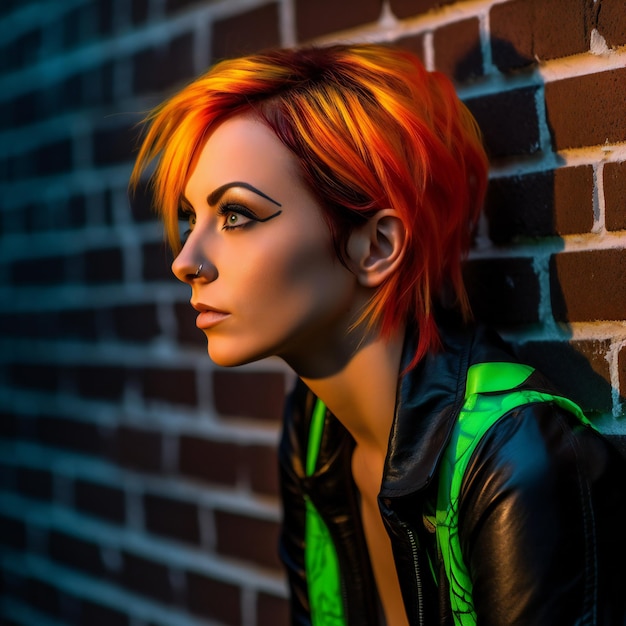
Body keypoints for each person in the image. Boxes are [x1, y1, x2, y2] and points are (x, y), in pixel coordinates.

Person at [130, 44, 626, 626]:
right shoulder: (314, 430)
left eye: (236, 215)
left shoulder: (512, 460)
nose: (186, 260)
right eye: (192, 220)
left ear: (378, 247)